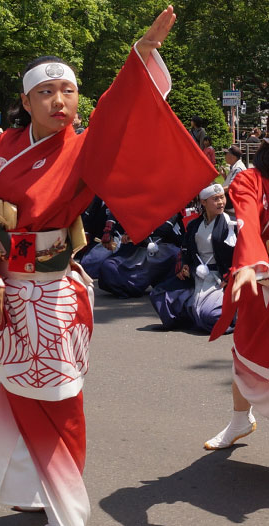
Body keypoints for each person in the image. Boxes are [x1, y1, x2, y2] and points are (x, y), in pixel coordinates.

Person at [0, 6, 217, 526]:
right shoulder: (3, 147)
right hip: (10, 289)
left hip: (53, 292)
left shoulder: (85, 145)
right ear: (26, 100)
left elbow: (125, 112)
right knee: (19, 393)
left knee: (57, 403)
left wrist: (143, 55)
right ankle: (38, 494)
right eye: (48, 91)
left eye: (70, 91)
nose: (61, 101)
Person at [204, 138, 269, 450]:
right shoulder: (250, 179)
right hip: (260, 280)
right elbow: (249, 222)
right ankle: (240, 420)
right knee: (244, 353)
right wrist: (251, 262)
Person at [150, 184, 237, 333]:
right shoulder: (194, 225)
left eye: (222, 197)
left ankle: (236, 314)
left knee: (208, 315)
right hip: (196, 274)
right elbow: (185, 249)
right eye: (215, 199)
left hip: (220, 277)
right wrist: (184, 265)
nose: (221, 202)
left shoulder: (231, 224)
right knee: (159, 294)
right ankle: (190, 316)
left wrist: (231, 275)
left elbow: (240, 253)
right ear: (203, 202)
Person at [98, 214, 184, 298]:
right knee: (107, 266)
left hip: (162, 252)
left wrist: (136, 232)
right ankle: (132, 287)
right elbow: (117, 209)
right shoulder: (136, 201)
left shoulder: (171, 204)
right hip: (136, 252)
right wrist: (108, 231)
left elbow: (164, 228)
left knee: (176, 256)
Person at [220, 145, 246, 215]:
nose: (225, 156)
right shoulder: (235, 166)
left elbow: (231, 187)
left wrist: (217, 190)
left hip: (232, 204)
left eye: (226, 154)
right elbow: (233, 183)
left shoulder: (238, 169)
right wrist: (225, 176)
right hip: (231, 200)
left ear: (233, 157)